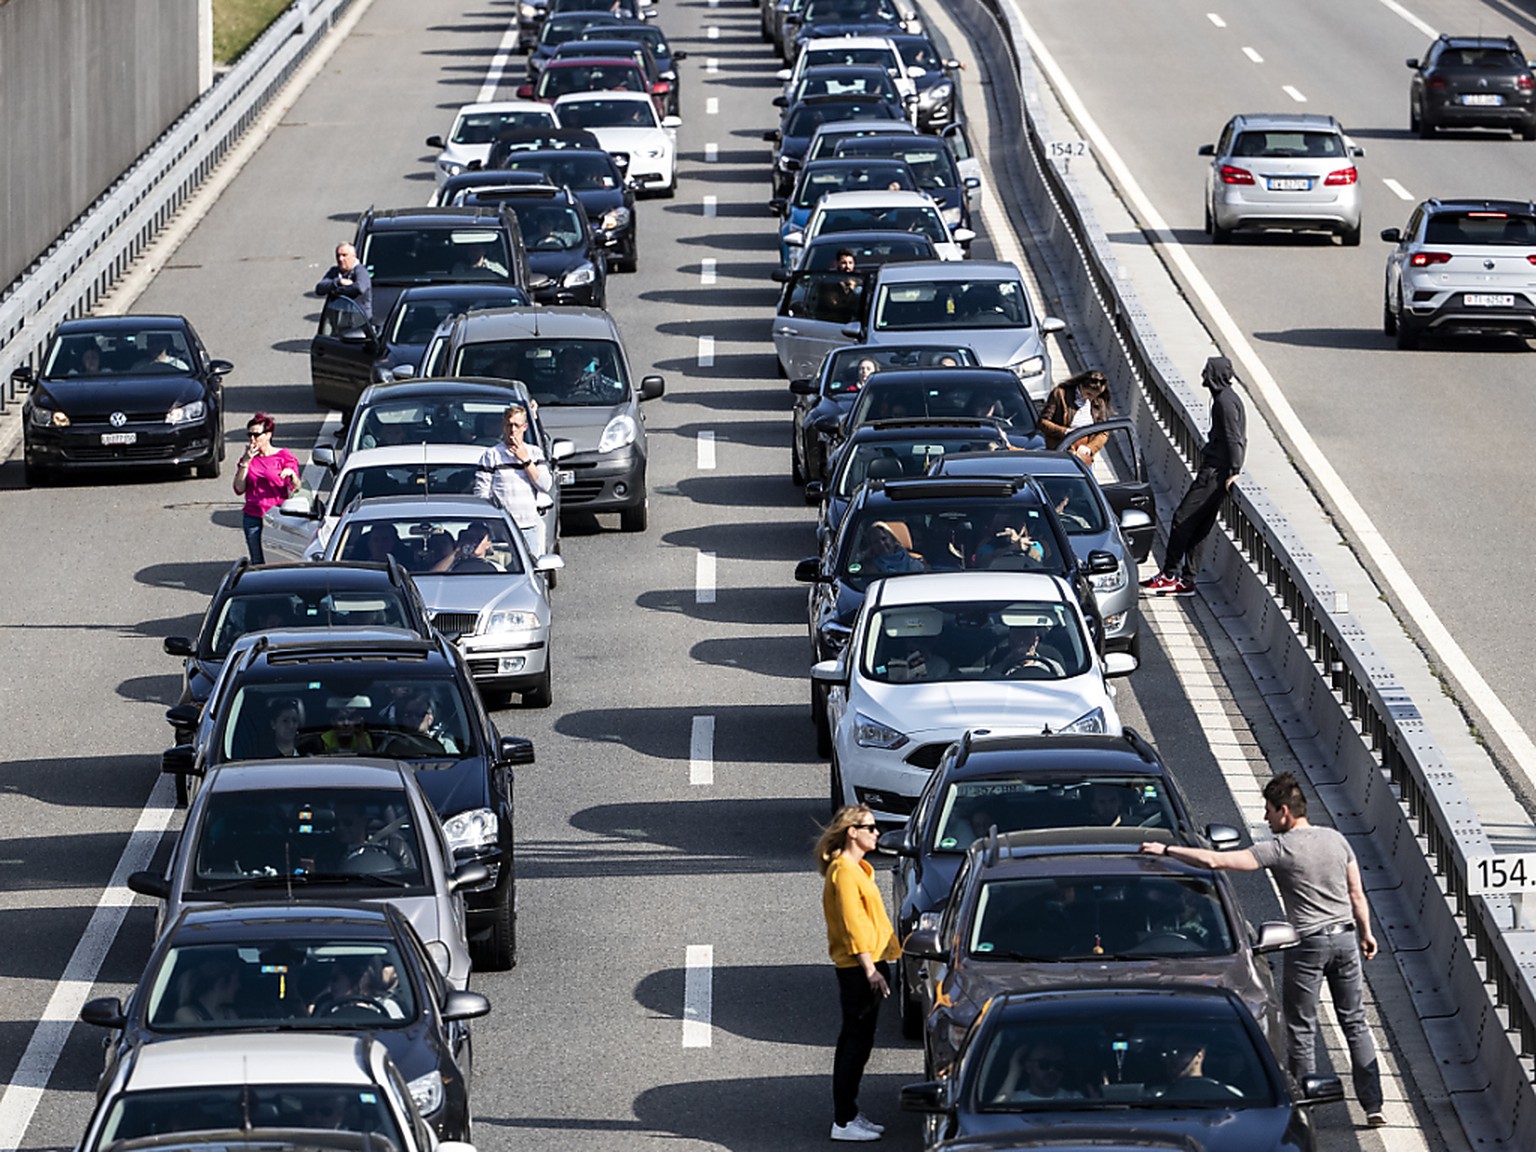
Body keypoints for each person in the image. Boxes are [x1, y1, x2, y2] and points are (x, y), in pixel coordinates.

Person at [1139, 772, 1385, 1126]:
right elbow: (1356, 894)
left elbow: (1217, 861)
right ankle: (1373, 1105)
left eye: (1269, 812)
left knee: (1302, 1025)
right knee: (1355, 1021)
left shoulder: (1281, 848)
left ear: (1285, 811)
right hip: (1345, 937)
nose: (1267, 820)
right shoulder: (1337, 840)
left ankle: (1305, 1106)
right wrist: (1366, 933)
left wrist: (1167, 849)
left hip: (1308, 943)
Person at [817, 805, 899, 1142]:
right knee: (854, 1043)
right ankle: (844, 1119)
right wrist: (870, 969)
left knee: (860, 1041)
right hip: (858, 969)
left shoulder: (857, 870)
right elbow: (853, 924)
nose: (876, 832)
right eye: (870, 827)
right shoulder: (845, 872)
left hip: (869, 964)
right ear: (853, 832)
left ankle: (849, 1113)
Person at [1143, 356, 1245, 596]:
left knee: (1182, 518)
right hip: (1218, 469)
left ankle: (1169, 574)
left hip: (1215, 472)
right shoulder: (1228, 398)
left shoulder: (1224, 404)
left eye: (1206, 372)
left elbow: (1234, 438)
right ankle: (1187, 580)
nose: (1202, 376)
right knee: (1201, 525)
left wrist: (1234, 469)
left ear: (1214, 375)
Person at [474, 405, 553, 556]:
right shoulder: (492, 455)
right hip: (502, 529)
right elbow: (482, 493)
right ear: (503, 426)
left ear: (525, 427)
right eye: (509, 425)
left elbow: (545, 485)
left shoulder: (535, 453)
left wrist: (526, 461)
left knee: (533, 567)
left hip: (529, 525)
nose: (513, 430)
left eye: (517, 425)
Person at [232, 413, 301, 564]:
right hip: (253, 515)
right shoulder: (248, 459)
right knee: (258, 561)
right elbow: (238, 488)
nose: (252, 439)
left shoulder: (283, 456)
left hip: (277, 516)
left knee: (280, 560)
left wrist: (292, 475)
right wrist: (246, 462)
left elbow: (296, 487)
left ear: (268, 435)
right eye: (249, 435)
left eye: (256, 435)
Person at [1036, 370, 1112, 461]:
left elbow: (1103, 432)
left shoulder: (1098, 402)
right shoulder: (1060, 394)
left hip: (1084, 454)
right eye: (1088, 394)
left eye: (1095, 396)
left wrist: (1090, 448)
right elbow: (1043, 422)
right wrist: (1065, 432)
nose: (1090, 399)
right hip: (1061, 450)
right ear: (1081, 386)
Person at [1152, 1036, 1242, 1100]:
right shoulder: (1152, 1096)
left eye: (1179, 1051)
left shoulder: (1229, 1094)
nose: (1172, 1058)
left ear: (1199, 1055)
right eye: (1165, 1053)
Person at [992, 1040, 1085, 1102]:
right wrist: (1014, 1073)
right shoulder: (1013, 1099)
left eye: (1058, 1065)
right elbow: (994, 1117)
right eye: (1044, 1064)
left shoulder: (1075, 1099)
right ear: (1028, 1067)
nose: (1052, 1070)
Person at [173, 953, 242, 1024]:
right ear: (221, 983)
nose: (238, 986)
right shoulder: (185, 1015)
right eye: (236, 981)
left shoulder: (230, 1014)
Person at [315, 242, 373, 321]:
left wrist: (336, 291)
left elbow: (359, 288)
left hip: (359, 321)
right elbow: (319, 288)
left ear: (354, 256)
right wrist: (338, 282)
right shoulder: (334, 271)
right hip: (338, 322)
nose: (340, 259)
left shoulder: (361, 271)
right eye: (338, 256)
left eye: (344, 255)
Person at [984, 623, 1065, 679]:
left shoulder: (1053, 667)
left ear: (1036, 641)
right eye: (1017, 637)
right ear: (1010, 641)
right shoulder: (999, 670)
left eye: (1026, 636)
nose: (1022, 642)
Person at [302, 694, 376, 755]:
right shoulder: (321, 741)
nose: (346, 723)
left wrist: (360, 736)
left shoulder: (364, 737)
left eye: (351, 719)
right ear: (332, 721)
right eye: (341, 719)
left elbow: (366, 759)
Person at [974, 512, 1045, 568]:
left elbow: (1038, 561)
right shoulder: (987, 545)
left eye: (1015, 524)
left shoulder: (1032, 544)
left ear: (1023, 528)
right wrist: (1010, 548)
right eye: (1005, 525)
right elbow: (984, 563)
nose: (1010, 530)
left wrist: (1025, 547)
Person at [858, 521, 923, 576]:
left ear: (892, 539)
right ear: (871, 546)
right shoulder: (871, 566)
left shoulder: (915, 560)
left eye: (884, 538)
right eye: (876, 542)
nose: (881, 544)